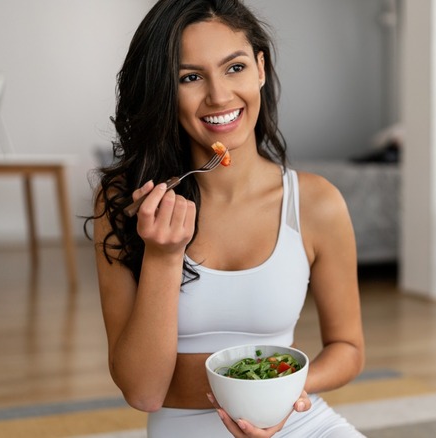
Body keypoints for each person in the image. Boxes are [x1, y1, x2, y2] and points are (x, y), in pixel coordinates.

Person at [86, 0, 366, 436]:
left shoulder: (316, 202)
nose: (219, 95)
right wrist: (163, 255)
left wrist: (278, 393)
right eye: (190, 77)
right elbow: (143, 393)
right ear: (165, 90)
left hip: (295, 416)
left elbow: (348, 349)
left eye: (233, 68)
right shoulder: (128, 204)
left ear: (260, 67)